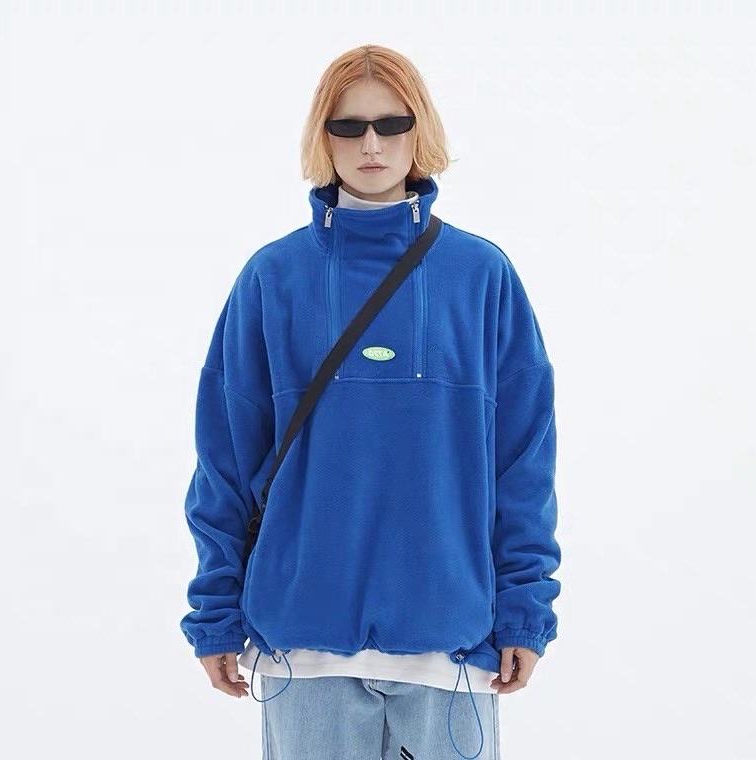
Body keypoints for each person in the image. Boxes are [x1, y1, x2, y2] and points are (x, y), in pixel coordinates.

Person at [180, 44, 561, 760]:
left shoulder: (482, 276)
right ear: (322, 138)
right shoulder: (272, 278)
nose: (372, 145)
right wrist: (215, 612)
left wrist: (525, 608)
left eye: (391, 123)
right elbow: (225, 458)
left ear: (421, 129)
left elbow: (523, 462)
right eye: (348, 126)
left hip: (452, 651)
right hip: (304, 652)